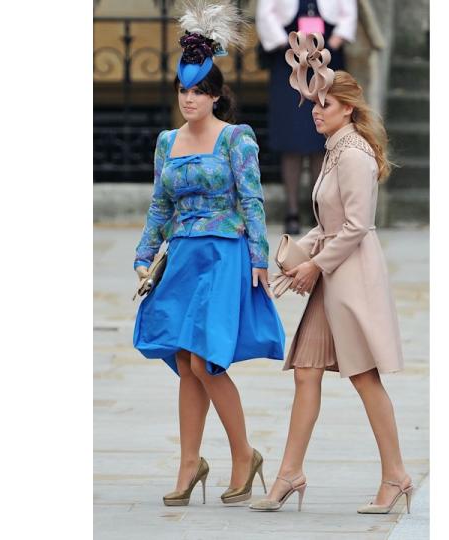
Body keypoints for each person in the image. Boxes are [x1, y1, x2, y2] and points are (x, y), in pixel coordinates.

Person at [249, 33, 413, 514]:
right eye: (314, 102)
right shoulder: (334, 150)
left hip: (351, 281)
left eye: (325, 103)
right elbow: (331, 223)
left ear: (347, 108)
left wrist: (314, 265)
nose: (315, 110)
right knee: (305, 373)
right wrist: (304, 258)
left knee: (364, 378)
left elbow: (359, 226)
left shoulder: (354, 153)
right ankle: (289, 474)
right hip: (330, 278)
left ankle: (397, 476)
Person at [133, 1, 285, 507]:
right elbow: (160, 205)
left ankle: (244, 455)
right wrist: (144, 255)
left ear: (216, 96)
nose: (190, 98)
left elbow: (253, 201)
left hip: (225, 255)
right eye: (183, 89)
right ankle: (189, 462)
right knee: (182, 355)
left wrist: (259, 260)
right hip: (183, 258)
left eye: (199, 90)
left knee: (205, 360)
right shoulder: (166, 143)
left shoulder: (236, 139)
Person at [256, 0, 357, 234]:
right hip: (289, 60)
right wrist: (286, 45)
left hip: (328, 58)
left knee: (322, 138)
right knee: (291, 135)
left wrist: (333, 43)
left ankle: (320, 210)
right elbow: (266, 13)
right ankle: (291, 210)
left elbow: (348, 13)